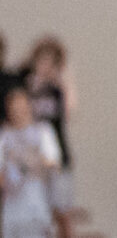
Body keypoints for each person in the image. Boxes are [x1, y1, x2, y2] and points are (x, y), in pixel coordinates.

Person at [18, 38, 71, 215]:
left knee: (61, 209)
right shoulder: (25, 84)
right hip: (30, 155)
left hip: (55, 152)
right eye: (42, 59)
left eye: (51, 61)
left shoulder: (56, 89)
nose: (45, 65)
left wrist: (64, 81)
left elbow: (70, 112)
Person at [1, 85, 60, 238]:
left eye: (21, 106)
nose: (18, 112)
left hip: (36, 201)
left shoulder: (43, 131)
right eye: (14, 108)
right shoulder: (5, 135)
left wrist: (35, 162)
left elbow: (54, 164)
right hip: (13, 204)